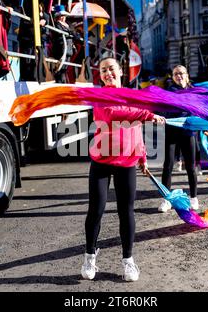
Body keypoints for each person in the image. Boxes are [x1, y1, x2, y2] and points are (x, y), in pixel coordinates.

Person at [81, 57, 165, 282]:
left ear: (121, 71)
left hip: (127, 160)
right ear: (100, 75)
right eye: (103, 70)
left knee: (126, 212)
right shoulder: (99, 96)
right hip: (101, 159)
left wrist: (143, 156)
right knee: (95, 211)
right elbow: (112, 114)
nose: (108, 73)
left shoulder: (133, 97)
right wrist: (148, 115)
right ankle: (90, 256)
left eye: (111, 69)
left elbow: (136, 130)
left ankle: (128, 260)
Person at [158, 65, 200, 213]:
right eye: (176, 74)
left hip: (188, 133)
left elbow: (200, 110)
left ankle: (194, 198)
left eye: (181, 73)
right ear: (173, 77)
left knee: (190, 167)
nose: (179, 76)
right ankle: (166, 200)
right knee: (168, 166)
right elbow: (161, 107)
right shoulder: (169, 91)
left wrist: (205, 126)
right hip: (171, 132)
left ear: (187, 75)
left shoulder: (194, 90)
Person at [51, 4, 77, 83]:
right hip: (60, 49)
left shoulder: (67, 25)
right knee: (59, 68)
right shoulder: (56, 24)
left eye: (64, 15)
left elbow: (73, 34)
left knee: (64, 69)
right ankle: (59, 83)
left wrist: (72, 33)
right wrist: (71, 33)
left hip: (68, 49)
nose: (63, 17)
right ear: (57, 16)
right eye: (61, 15)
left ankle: (62, 82)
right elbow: (61, 33)